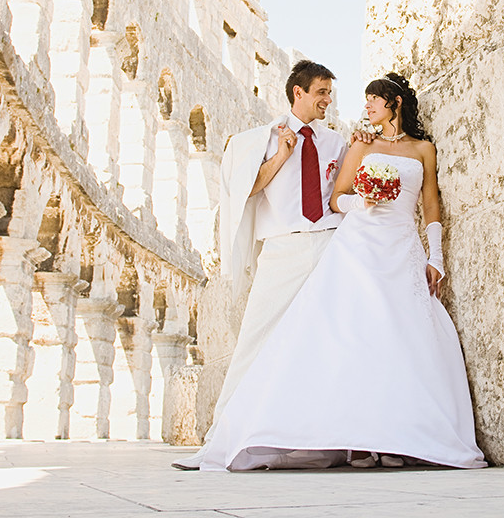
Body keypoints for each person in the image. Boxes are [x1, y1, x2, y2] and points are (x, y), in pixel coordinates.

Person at [198, 72, 486, 471]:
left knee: (401, 337)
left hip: (398, 246)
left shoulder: (415, 149)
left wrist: (436, 256)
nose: (362, 106)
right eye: (325, 93)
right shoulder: (343, 144)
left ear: (395, 104)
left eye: (373, 100)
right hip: (344, 245)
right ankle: (238, 433)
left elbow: (431, 203)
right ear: (299, 92)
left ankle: (396, 437)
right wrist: (364, 202)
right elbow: (338, 199)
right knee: (337, 337)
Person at [174, 60, 348, 470]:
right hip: (282, 247)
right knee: (256, 339)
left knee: (326, 340)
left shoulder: (338, 143)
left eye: (329, 93)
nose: (327, 100)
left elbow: (340, 191)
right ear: (298, 93)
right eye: (320, 92)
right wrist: (283, 155)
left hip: (328, 245)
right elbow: (244, 192)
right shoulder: (262, 140)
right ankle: (219, 440)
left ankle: (327, 439)